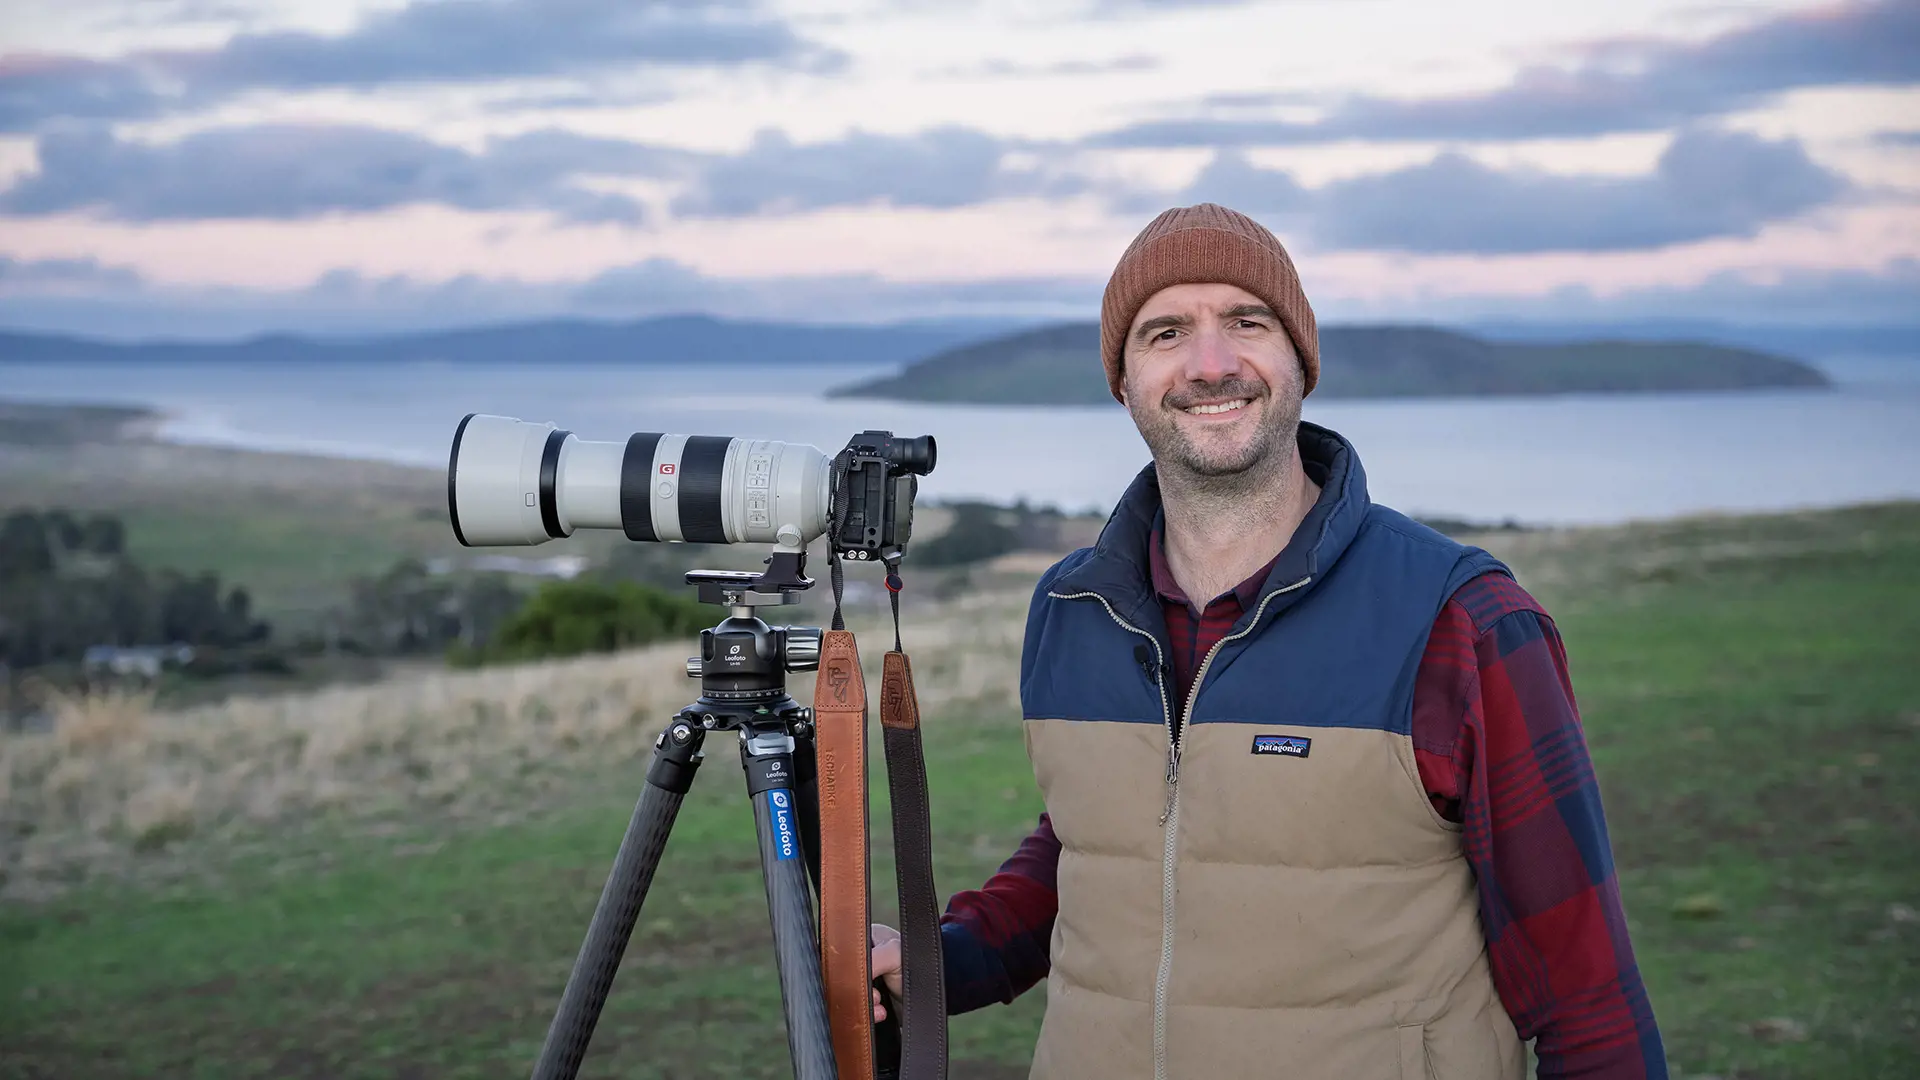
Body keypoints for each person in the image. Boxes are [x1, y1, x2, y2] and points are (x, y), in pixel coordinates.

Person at [870, 204, 1666, 1079]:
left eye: (1246, 323)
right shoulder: (1073, 606)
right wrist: (950, 959)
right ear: (1124, 380)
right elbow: (1102, 842)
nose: (1210, 365)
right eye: (1166, 332)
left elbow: (1589, 1004)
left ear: (1300, 361)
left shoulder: (1463, 621)